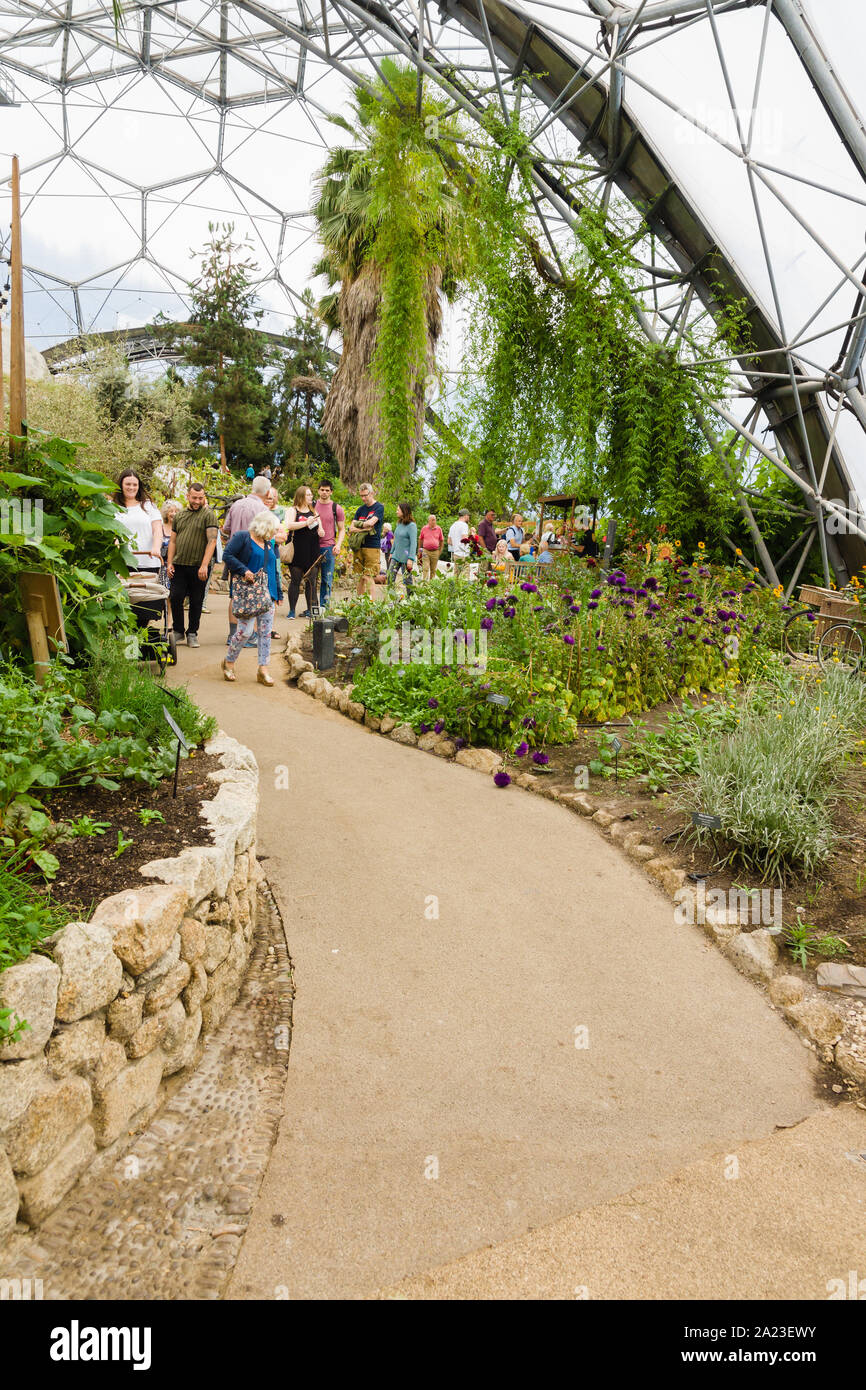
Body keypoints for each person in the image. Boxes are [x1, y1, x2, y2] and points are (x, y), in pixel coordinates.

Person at [221, 510, 283, 685]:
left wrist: (277, 592)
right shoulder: (243, 537)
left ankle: (263, 669)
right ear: (265, 526)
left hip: (266, 595)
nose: (275, 533)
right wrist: (244, 570)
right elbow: (227, 555)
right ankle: (229, 662)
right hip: (248, 594)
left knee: (265, 634)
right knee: (245, 632)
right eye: (273, 529)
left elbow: (273, 570)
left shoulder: (268, 543)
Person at [166, 483, 218, 648]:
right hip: (179, 565)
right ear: (188, 496)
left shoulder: (208, 515)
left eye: (200, 498)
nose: (197, 501)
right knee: (175, 597)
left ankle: (192, 633)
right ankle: (179, 631)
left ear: (204, 497)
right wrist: (169, 563)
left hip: (198, 567)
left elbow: (212, 541)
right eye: (194, 497)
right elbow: (173, 541)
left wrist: (204, 565)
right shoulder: (180, 516)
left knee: (196, 601)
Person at [221, 475, 270, 647]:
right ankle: (249, 635)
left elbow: (226, 529)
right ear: (267, 492)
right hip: (252, 555)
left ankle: (233, 634)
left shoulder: (236, 504)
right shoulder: (263, 509)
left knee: (235, 595)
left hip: (234, 555)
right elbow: (265, 534)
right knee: (254, 597)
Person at [284, 484, 324, 618]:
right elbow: (289, 525)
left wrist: (321, 531)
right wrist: (306, 523)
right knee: (295, 581)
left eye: (311, 494)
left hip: (312, 550)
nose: (311, 496)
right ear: (301, 496)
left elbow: (320, 527)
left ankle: (311, 611)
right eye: (308, 494)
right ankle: (291, 611)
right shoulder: (293, 510)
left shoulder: (314, 511)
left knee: (311, 582)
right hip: (297, 550)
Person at [114, 470, 162, 574]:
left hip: (148, 561)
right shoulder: (112, 507)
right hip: (122, 562)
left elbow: (157, 530)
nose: (131, 487)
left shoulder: (148, 506)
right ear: (121, 485)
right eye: (128, 484)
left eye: (135, 485)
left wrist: (156, 547)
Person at [349, 482, 385, 598]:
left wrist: (359, 526)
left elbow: (371, 523)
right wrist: (364, 529)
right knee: (360, 577)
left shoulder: (378, 507)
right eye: (361, 496)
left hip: (372, 546)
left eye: (365, 495)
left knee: (369, 576)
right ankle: (359, 604)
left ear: (372, 493)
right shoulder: (360, 510)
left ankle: (371, 605)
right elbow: (351, 528)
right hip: (359, 546)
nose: (363, 498)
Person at [314, 479, 345, 609]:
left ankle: (324, 607)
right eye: (322, 490)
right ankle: (312, 608)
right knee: (311, 579)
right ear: (318, 490)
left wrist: (338, 545)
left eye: (327, 490)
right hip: (312, 547)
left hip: (328, 547)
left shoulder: (336, 508)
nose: (324, 492)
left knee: (327, 579)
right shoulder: (312, 505)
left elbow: (342, 529)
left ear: (331, 492)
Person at [389, 502, 417, 592]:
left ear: (404, 511)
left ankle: (410, 601)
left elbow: (413, 543)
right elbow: (396, 539)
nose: (396, 512)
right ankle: (391, 601)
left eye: (398, 510)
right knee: (390, 577)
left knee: (407, 581)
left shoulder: (412, 526)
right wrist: (391, 552)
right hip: (396, 556)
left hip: (406, 557)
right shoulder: (399, 524)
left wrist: (411, 559)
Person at [417, 513, 443, 580]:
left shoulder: (439, 529)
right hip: (425, 551)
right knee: (425, 567)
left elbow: (441, 540)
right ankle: (425, 583)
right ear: (429, 521)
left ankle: (431, 584)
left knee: (433, 570)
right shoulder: (424, 528)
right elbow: (420, 539)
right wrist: (419, 549)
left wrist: (440, 551)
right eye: (433, 520)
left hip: (435, 552)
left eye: (435, 520)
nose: (434, 521)